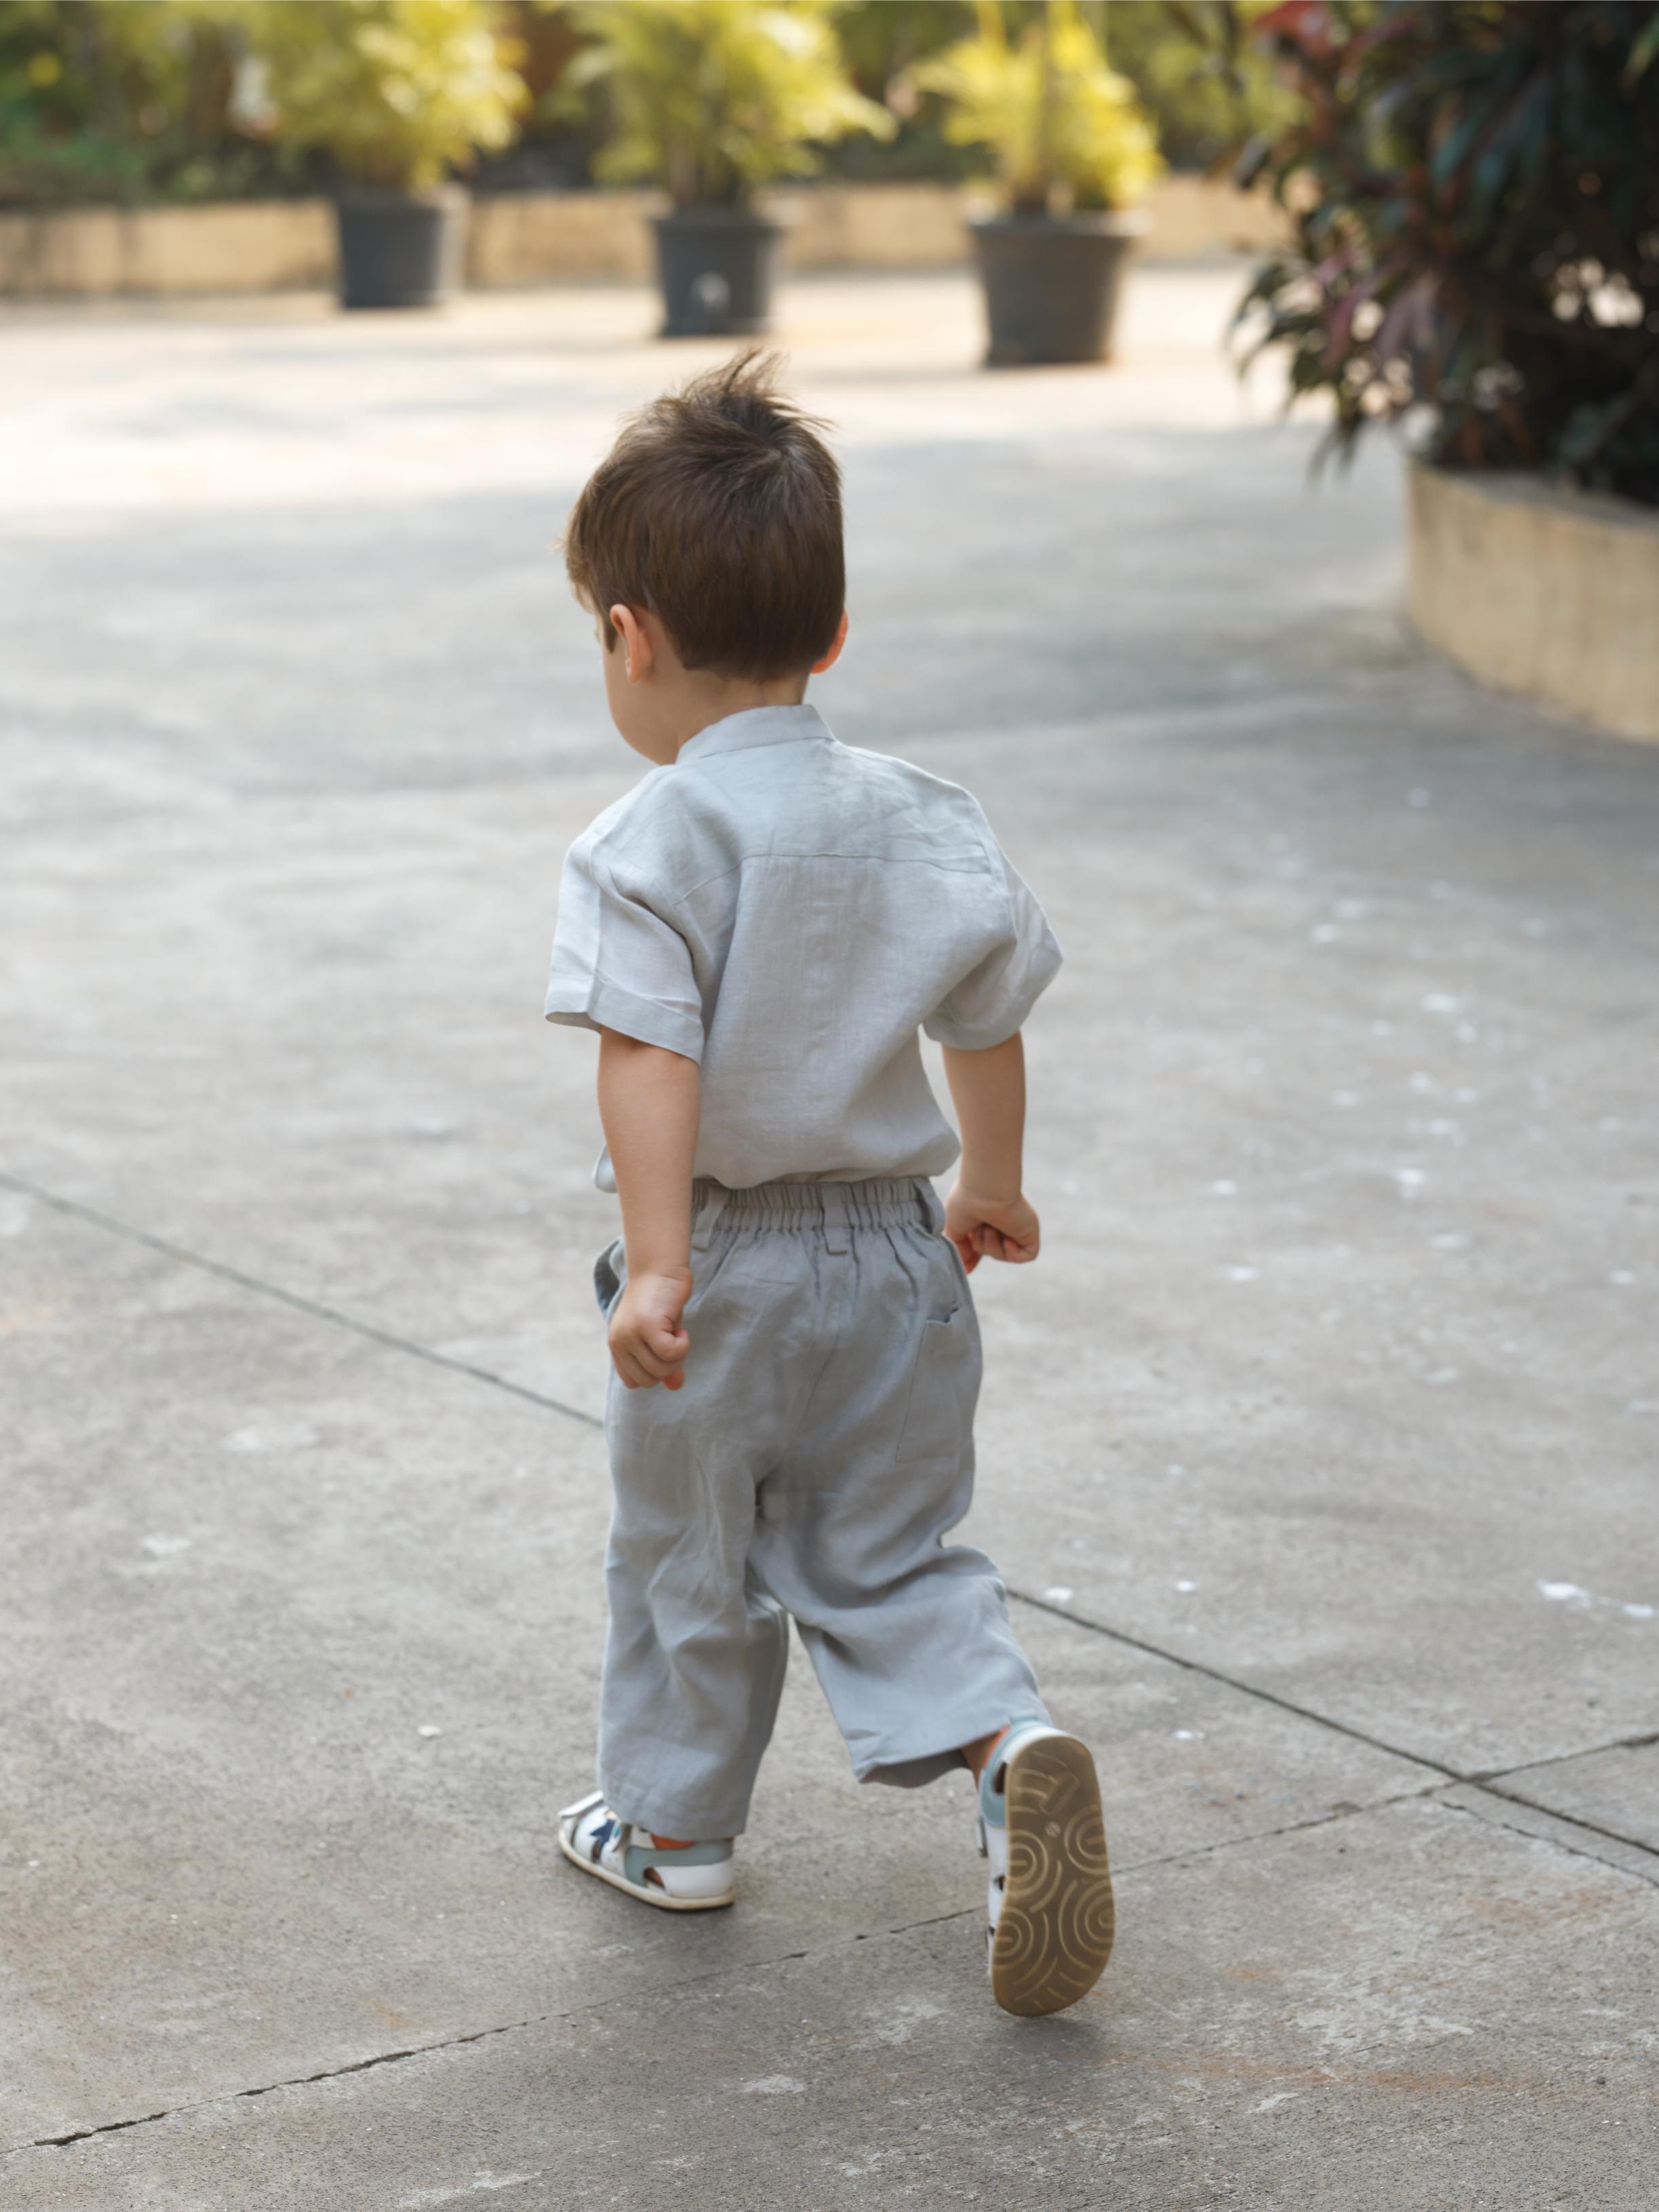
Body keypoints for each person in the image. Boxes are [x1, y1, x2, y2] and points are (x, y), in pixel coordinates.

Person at [543, 354, 1113, 2018]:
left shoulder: (646, 843)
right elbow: (987, 1019)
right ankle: (1011, 1745)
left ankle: (671, 1830)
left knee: (691, 1555)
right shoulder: (928, 821)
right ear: (833, 637)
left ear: (630, 636)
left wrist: (658, 1269)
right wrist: (988, 1187)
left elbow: (649, 1057)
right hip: (892, 1264)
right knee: (890, 1554)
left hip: (725, 1266)